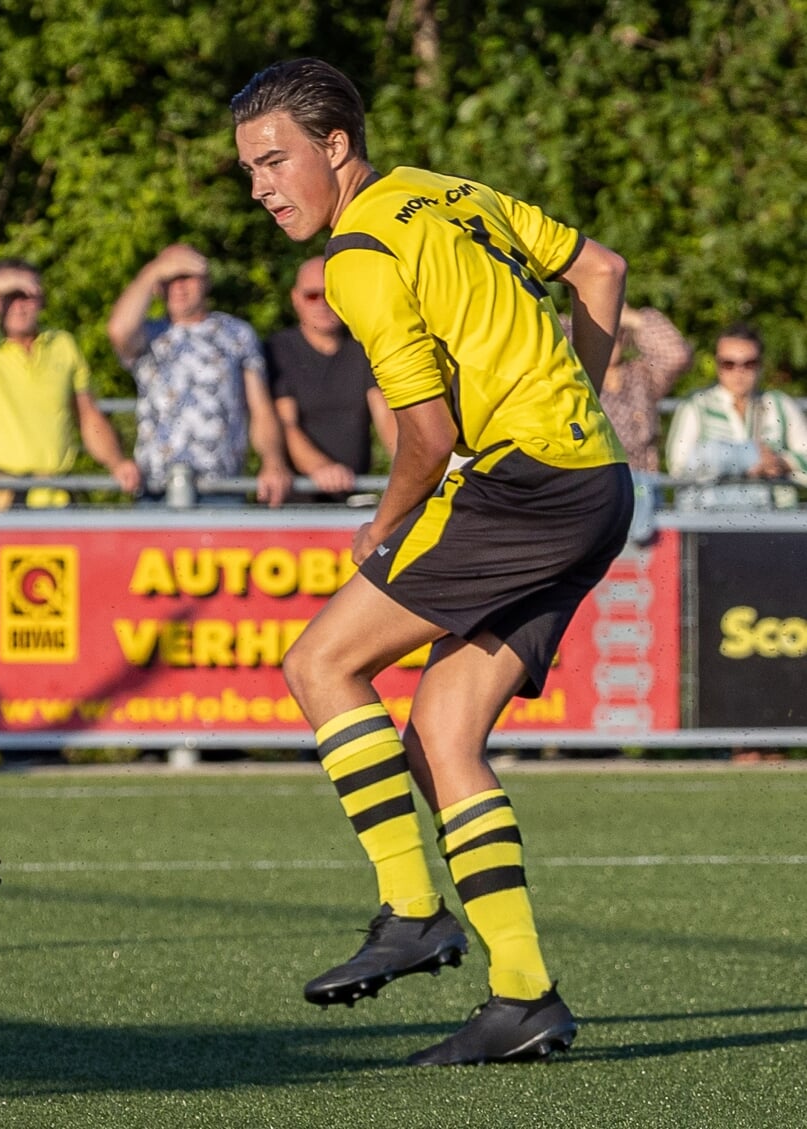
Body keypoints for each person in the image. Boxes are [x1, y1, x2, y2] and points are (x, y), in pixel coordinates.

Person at [232, 58, 632, 1065]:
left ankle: (411, 909)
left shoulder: (358, 254)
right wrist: (566, 401)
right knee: (442, 732)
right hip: (592, 481)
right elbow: (602, 269)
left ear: (333, 146)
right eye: (246, 170)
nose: (262, 186)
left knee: (318, 665)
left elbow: (424, 430)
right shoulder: (441, 192)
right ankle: (521, 994)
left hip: (522, 485)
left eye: (275, 160)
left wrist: (381, 523)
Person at [0, 260, 140, 509]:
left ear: (41, 300)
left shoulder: (63, 344)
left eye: (26, 296)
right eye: (9, 296)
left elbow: (88, 416)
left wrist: (116, 463)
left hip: (56, 495)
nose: (18, 306)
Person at [107, 244, 292, 506]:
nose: (179, 287)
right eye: (169, 280)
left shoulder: (237, 333)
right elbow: (117, 331)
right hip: (156, 489)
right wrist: (154, 270)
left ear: (206, 281)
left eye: (187, 277)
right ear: (158, 287)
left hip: (222, 489)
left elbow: (261, 409)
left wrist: (273, 461)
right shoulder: (147, 334)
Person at [265, 255, 396, 502]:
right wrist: (320, 468)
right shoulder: (279, 350)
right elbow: (286, 424)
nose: (322, 304)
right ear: (295, 299)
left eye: (331, 293)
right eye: (312, 295)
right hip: (296, 502)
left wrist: (410, 468)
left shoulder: (364, 347)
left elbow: (386, 415)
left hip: (353, 495)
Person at [577, 305, 691, 540]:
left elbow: (676, 355)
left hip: (641, 492)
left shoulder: (641, 375)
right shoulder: (577, 377)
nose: (610, 339)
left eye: (617, 332)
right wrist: (594, 310)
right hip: (592, 488)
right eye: (603, 331)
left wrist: (629, 316)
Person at [664, 323, 807, 509]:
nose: (739, 371)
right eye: (729, 364)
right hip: (710, 520)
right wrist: (746, 458)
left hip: (776, 519)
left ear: (761, 365)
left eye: (749, 363)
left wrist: (780, 463)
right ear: (717, 365)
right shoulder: (696, 405)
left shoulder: (781, 404)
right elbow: (679, 466)